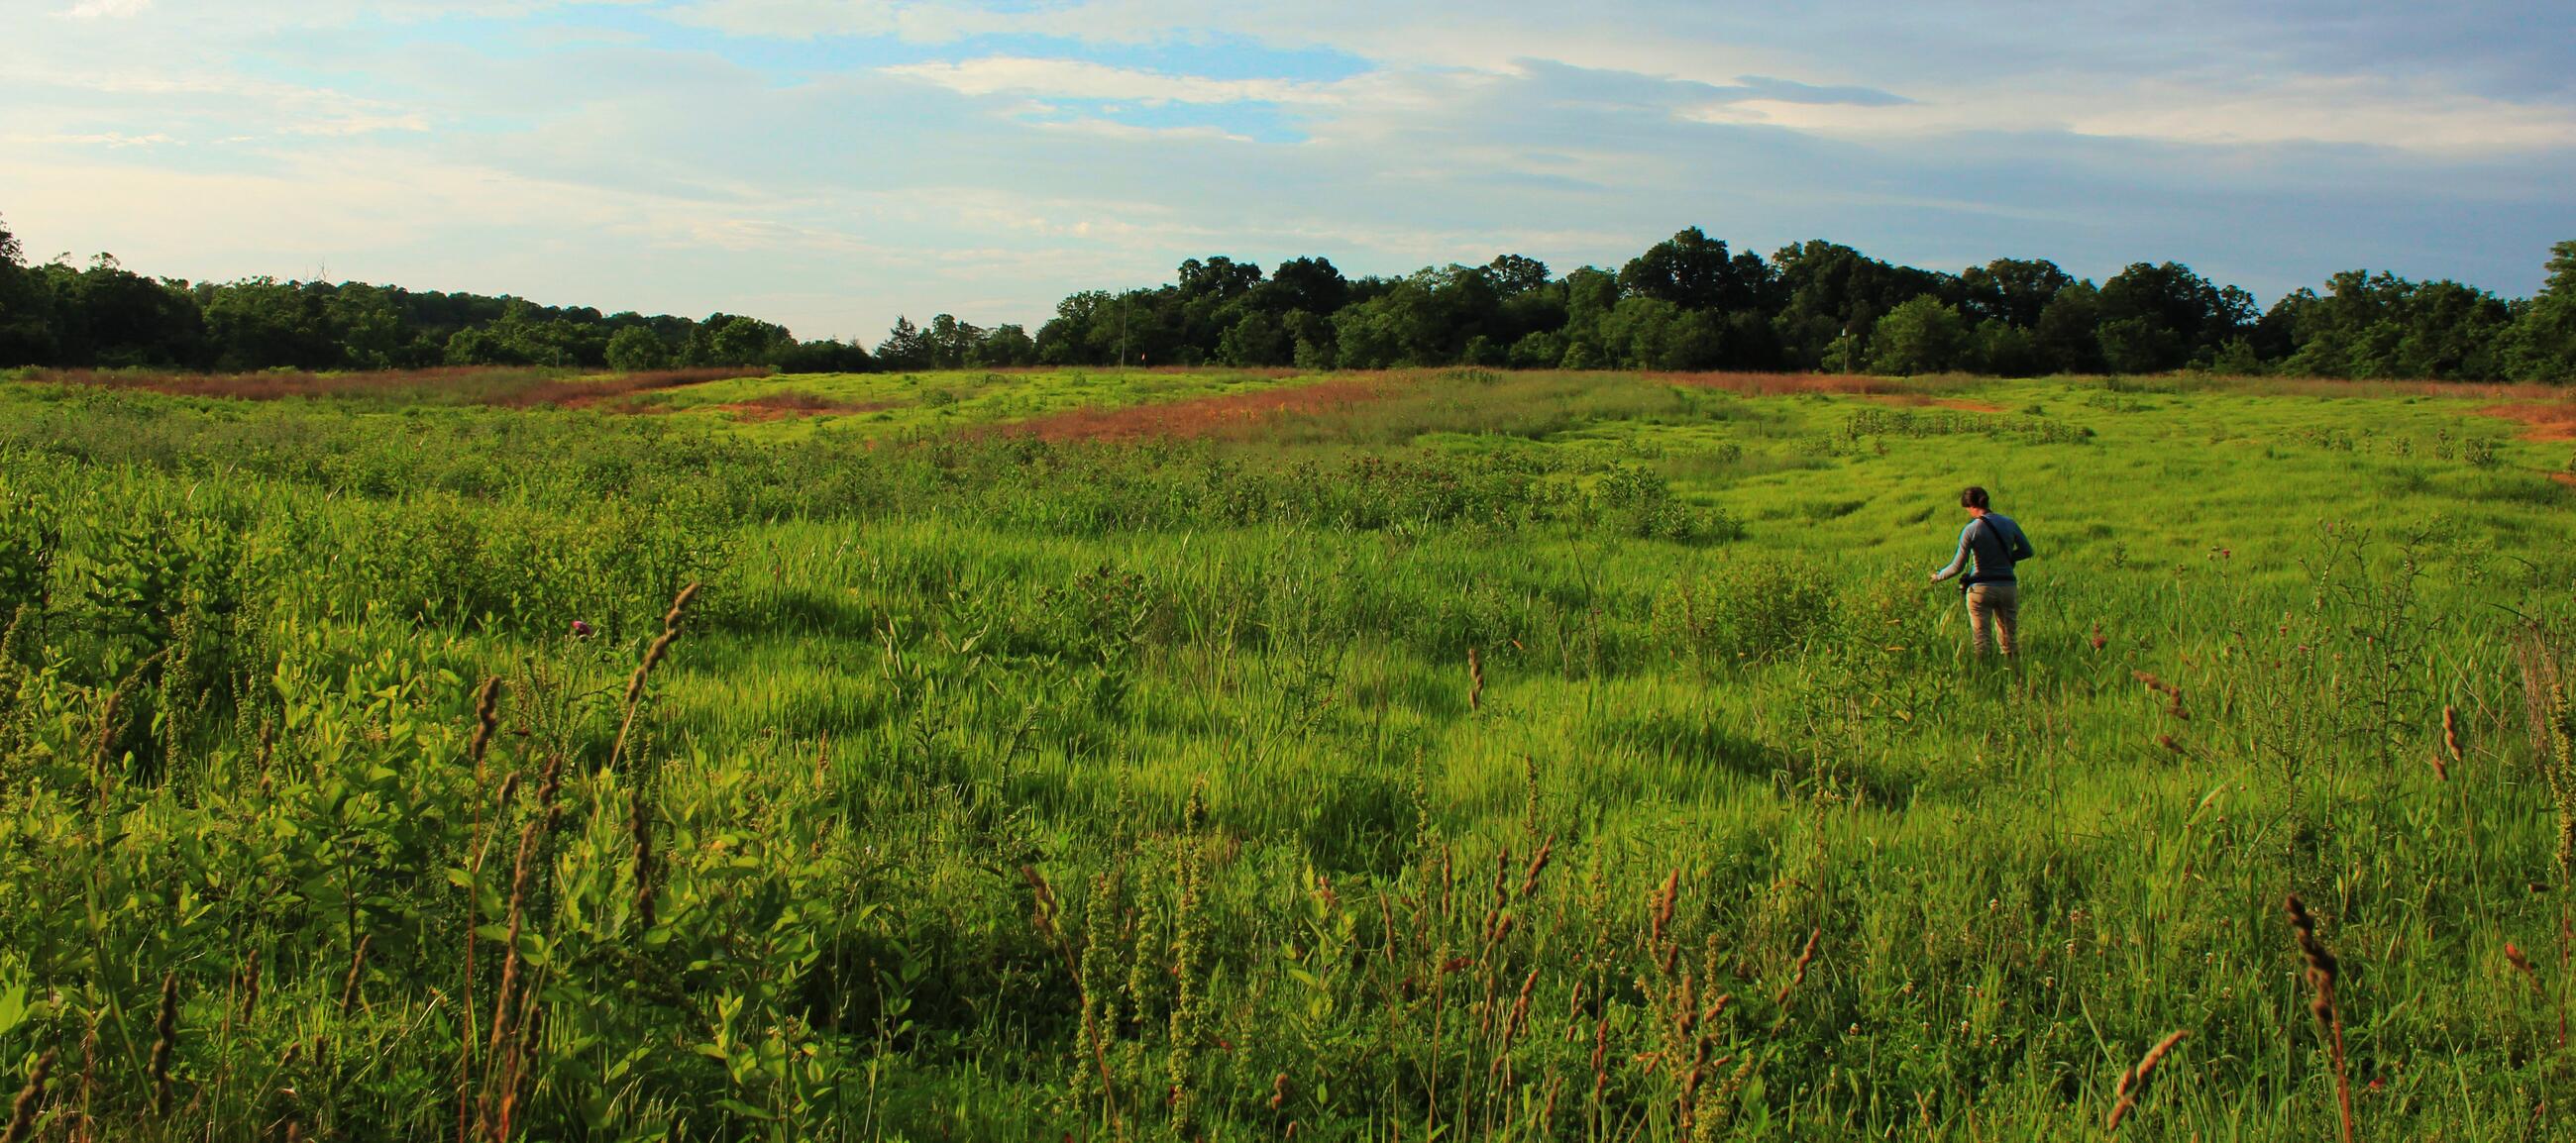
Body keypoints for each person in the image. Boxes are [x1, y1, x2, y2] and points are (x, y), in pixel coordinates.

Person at [1928, 486, 2035, 657]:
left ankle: (1983, 675)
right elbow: (2027, 551)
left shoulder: (1971, 529)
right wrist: (2008, 558)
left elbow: (1957, 567)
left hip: (1980, 589)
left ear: (1970, 506)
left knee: (1982, 641)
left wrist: (1937, 576)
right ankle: (2014, 677)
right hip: (2007, 586)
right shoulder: (2009, 523)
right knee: (2009, 641)